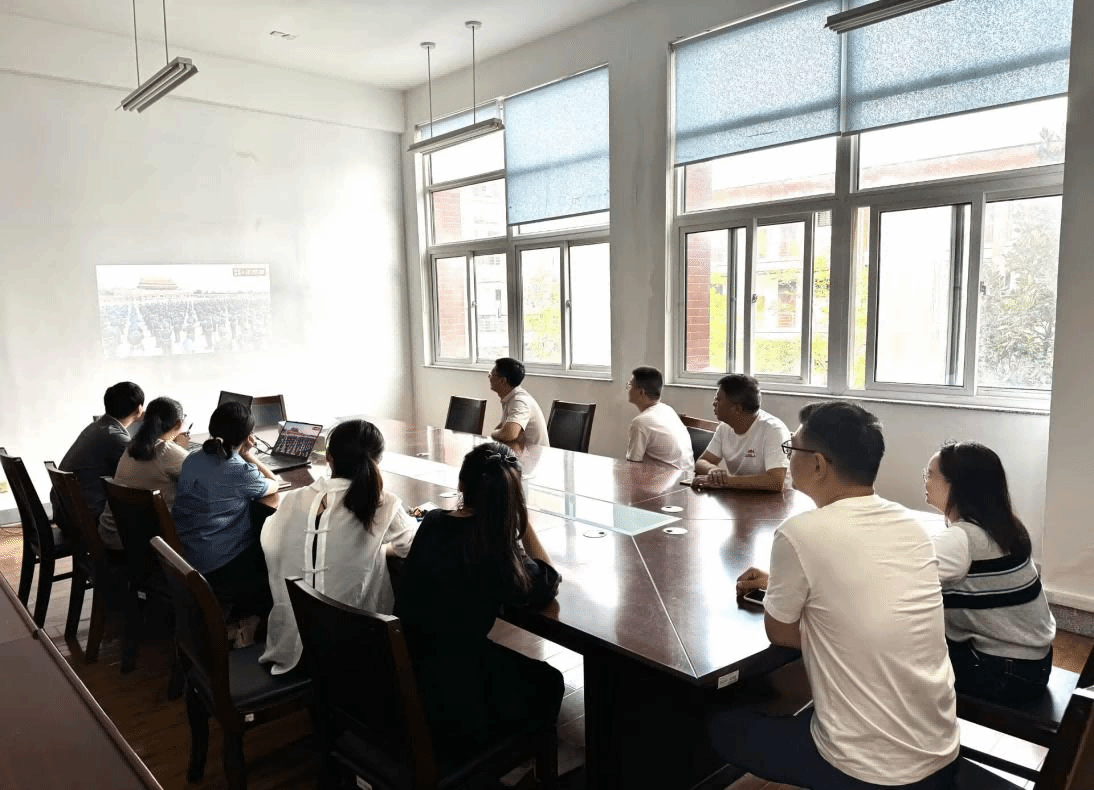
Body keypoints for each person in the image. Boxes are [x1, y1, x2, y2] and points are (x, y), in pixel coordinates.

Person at [718, 401, 959, 789]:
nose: (788, 458)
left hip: (864, 772)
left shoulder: (800, 533)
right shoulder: (911, 525)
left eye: (791, 448)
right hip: (942, 754)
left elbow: (779, 633)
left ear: (817, 464)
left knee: (719, 725)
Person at [395, 442, 563, 763]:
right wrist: (523, 520)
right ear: (513, 497)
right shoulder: (496, 550)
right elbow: (549, 579)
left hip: (412, 676)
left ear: (461, 485)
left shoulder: (432, 523)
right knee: (549, 681)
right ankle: (513, 769)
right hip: (458, 705)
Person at [260, 419, 417, 675]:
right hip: (353, 651)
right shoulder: (382, 503)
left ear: (329, 459)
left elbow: (271, 543)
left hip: (291, 645)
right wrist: (378, 549)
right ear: (378, 461)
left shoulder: (294, 499)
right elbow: (410, 546)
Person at [925, 441, 1056, 704]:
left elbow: (901, 575)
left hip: (1005, 674)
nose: (925, 481)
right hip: (1034, 663)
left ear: (957, 485)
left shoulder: (962, 539)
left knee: (907, 653)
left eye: (930, 474)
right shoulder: (1004, 526)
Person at [172, 401, 280, 631]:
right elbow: (274, 483)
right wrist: (249, 455)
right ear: (248, 436)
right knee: (276, 552)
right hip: (218, 565)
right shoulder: (239, 470)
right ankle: (256, 622)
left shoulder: (192, 458)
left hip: (187, 552)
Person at [99, 397, 190, 551]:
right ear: (179, 424)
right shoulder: (168, 451)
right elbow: (201, 475)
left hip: (113, 537)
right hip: (146, 546)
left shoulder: (132, 446)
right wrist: (179, 449)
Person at [55, 382, 145, 521]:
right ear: (139, 409)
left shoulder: (98, 427)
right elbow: (145, 469)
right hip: (87, 518)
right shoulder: (114, 436)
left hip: (67, 512)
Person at [693, 374, 789, 491]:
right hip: (740, 495)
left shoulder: (773, 430)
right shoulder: (724, 427)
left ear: (737, 409)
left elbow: (776, 482)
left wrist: (725, 481)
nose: (714, 403)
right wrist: (713, 470)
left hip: (776, 499)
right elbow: (702, 461)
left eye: (718, 400)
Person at [625, 366, 693, 471]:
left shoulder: (640, 422)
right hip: (687, 475)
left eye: (630, 385)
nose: (627, 389)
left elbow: (633, 465)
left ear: (641, 392)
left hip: (666, 478)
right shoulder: (668, 410)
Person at [488, 357, 549, 447]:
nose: (489, 376)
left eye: (492, 374)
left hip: (534, 454)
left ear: (503, 381)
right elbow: (503, 428)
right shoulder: (511, 397)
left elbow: (510, 433)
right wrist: (498, 433)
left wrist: (494, 433)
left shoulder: (519, 401)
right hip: (521, 451)